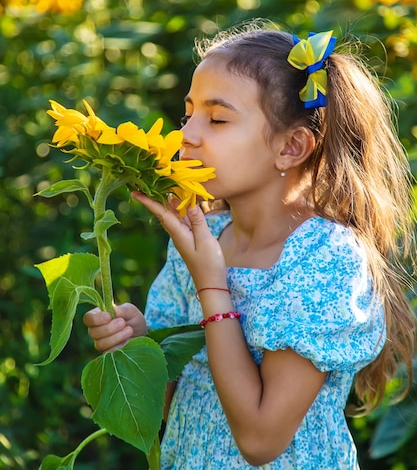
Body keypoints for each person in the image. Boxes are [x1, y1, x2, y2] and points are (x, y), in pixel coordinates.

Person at [84, 23, 416, 469]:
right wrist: (136, 345)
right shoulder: (203, 240)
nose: (187, 135)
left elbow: (261, 440)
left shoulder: (324, 258)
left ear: (291, 146)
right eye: (189, 114)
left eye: (217, 119)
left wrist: (212, 284)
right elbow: (170, 405)